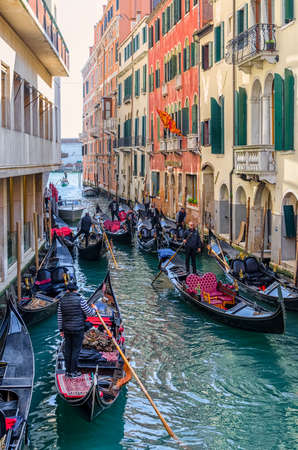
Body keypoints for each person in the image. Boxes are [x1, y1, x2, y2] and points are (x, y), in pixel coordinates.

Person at [58, 282, 97, 378]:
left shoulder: (61, 301)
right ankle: (74, 372)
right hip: (78, 329)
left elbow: (59, 317)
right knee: (75, 350)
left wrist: (61, 330)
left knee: (68, 350)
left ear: (67, 290)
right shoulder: (80, 300)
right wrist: (95, 310)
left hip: (67, 330)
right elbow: (90, 313)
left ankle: (68, 371)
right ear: (76, 290)